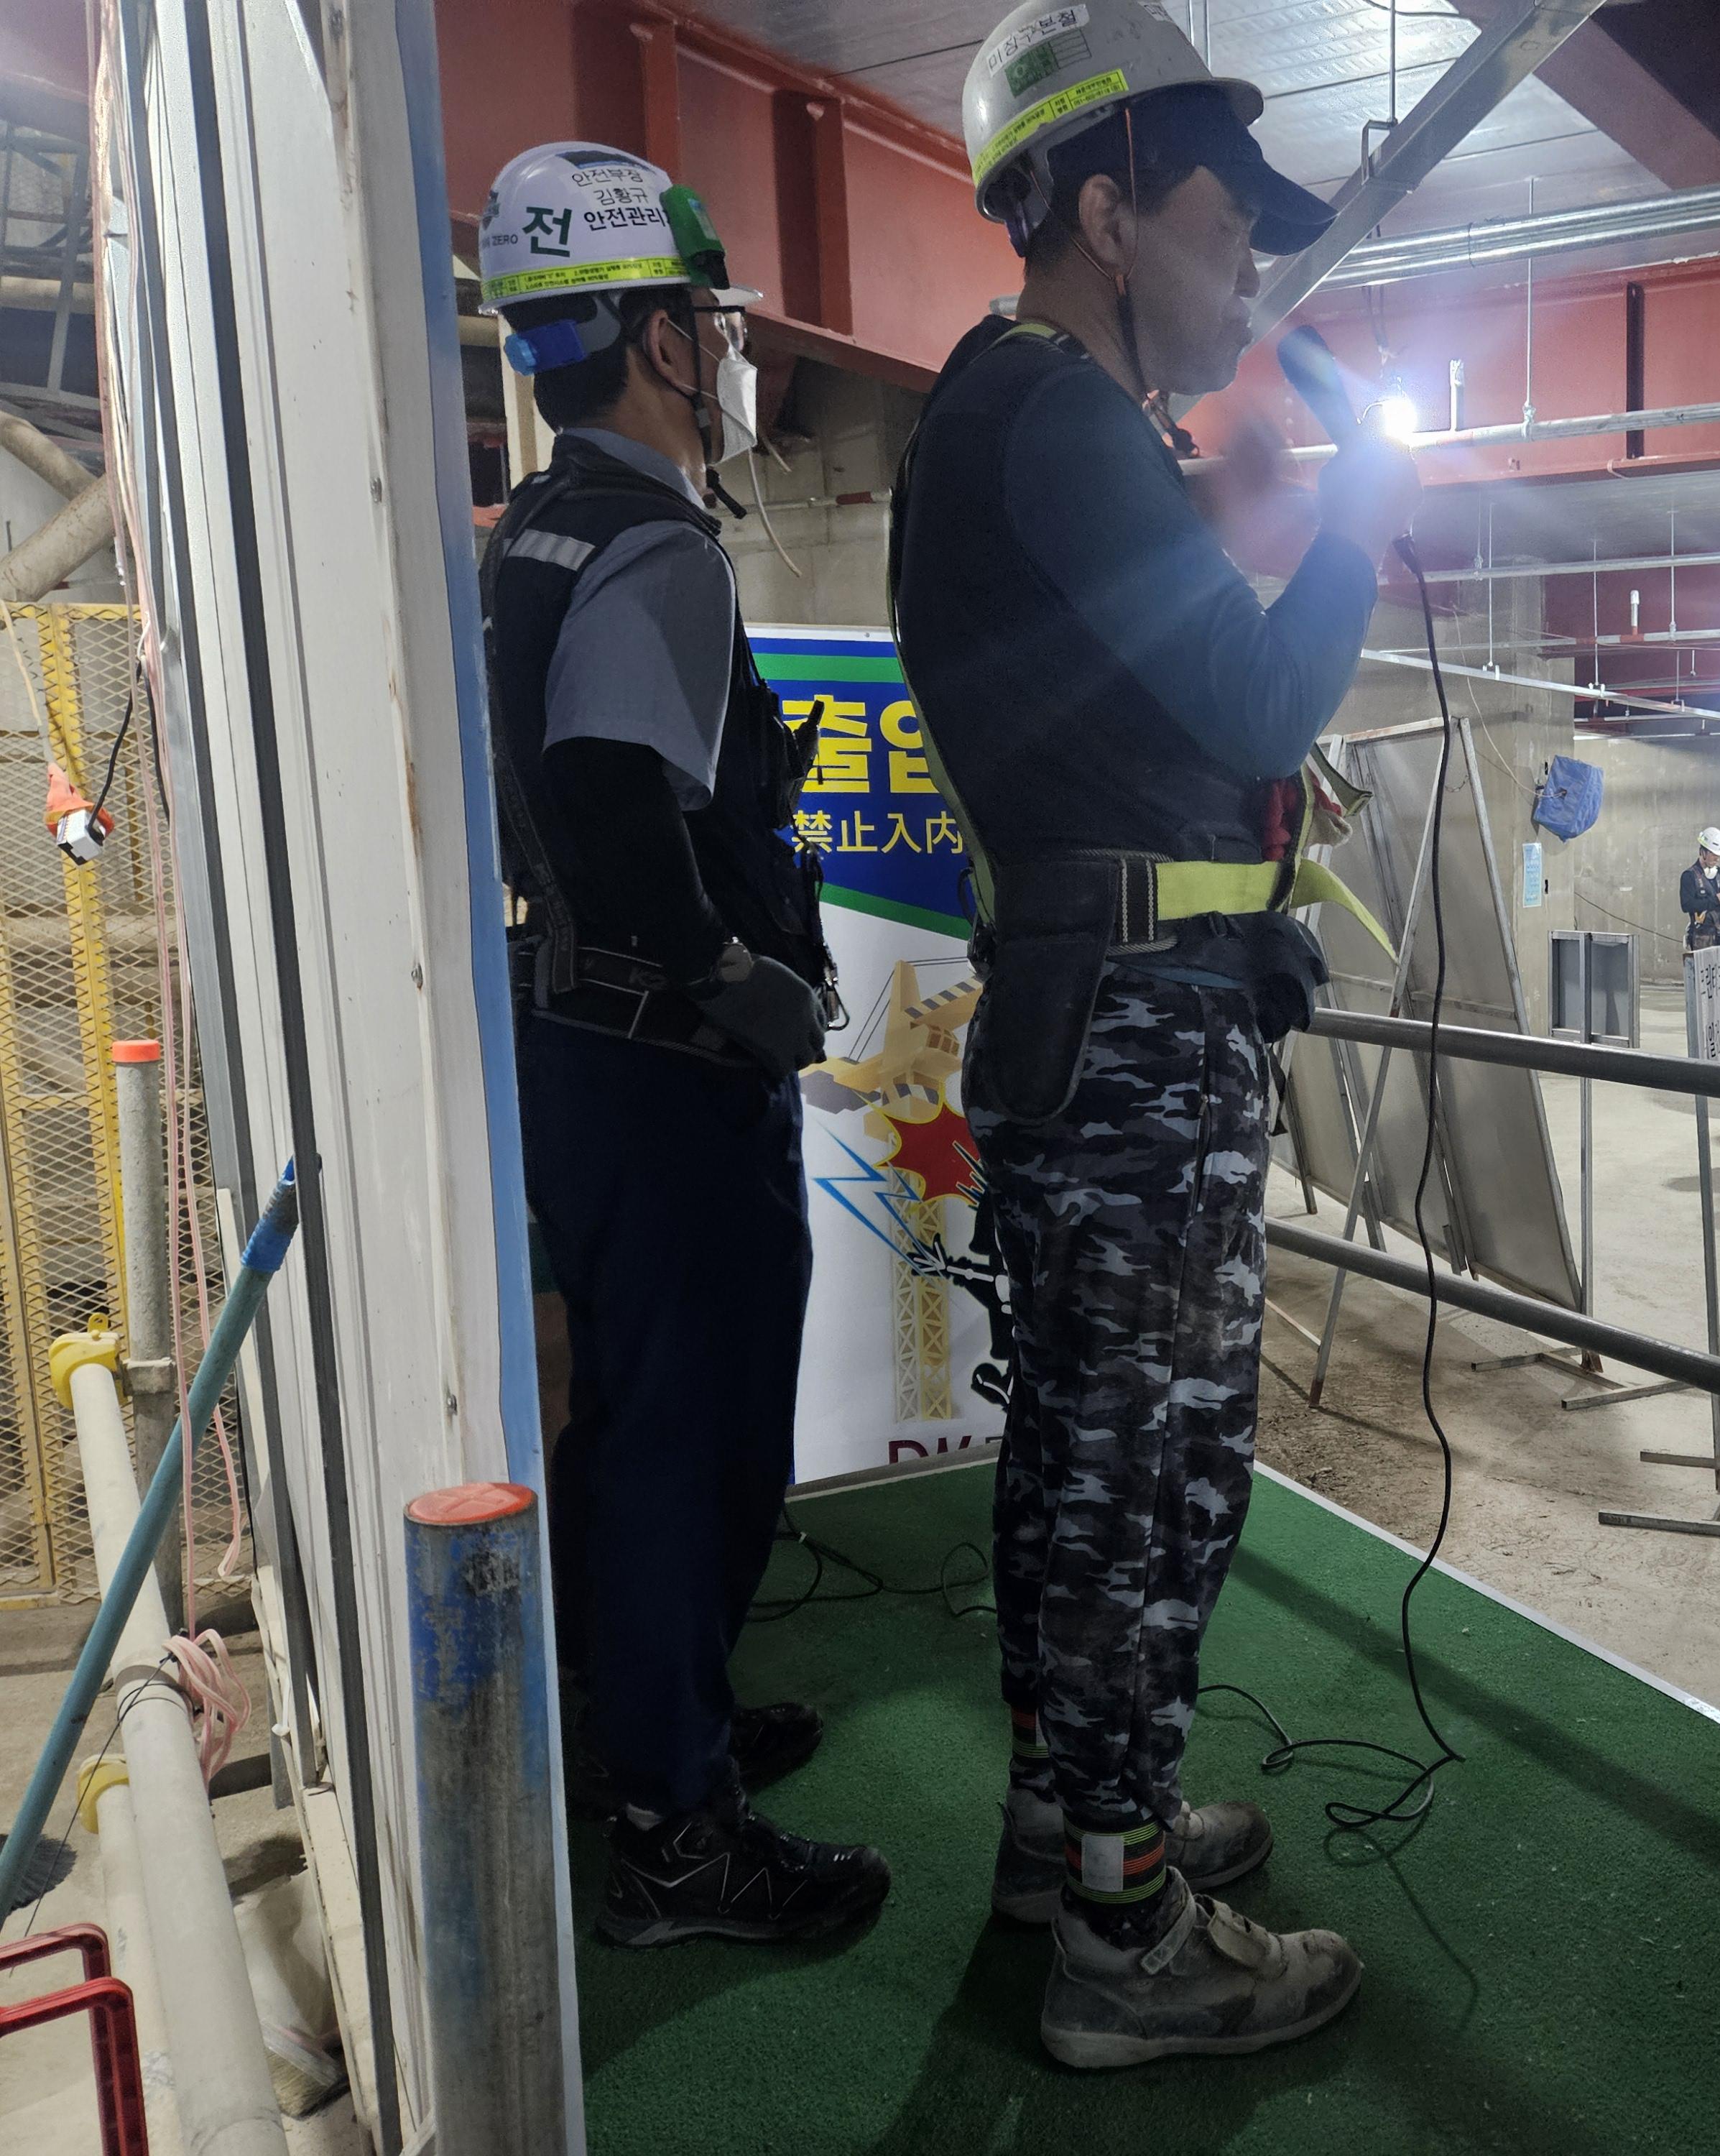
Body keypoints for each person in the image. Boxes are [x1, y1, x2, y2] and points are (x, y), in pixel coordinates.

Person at [895, 6, 1423, 2065]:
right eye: (1225, 227)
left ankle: (1073, 1834)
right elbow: (1264, 701)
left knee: (1092, 1459)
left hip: (1112, 1010)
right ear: (1108, 214)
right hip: (1129, 1046)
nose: (1249, 271)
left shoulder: (1037, 415)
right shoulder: (1051, 413)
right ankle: (1126, 1937)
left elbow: (1152, 720)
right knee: (1146, 1483)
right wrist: (1370, 504)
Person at [477, 143, 889, 1945]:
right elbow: (607, 790)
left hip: (578, 1048)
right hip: (661, 1066)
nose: (730, 357)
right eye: (713, 326)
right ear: (656, 337)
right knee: (693, 1432)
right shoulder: (652, 541)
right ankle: (676, 1832)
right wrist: (734, 975)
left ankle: (654, 1729)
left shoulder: (536, 527)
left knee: (635, 1414)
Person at [1679, 827, 1720, 955]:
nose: (1717, 858)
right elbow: (1687, 905)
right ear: (1703, 852)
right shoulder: (1689, 875)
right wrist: (1715, 900)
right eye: (1713, 854)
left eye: (1718, 855)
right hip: (1702, 938)